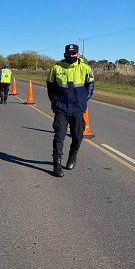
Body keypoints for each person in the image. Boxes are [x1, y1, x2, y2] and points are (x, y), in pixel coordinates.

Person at [47, 44, 94, 177]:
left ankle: (72, 155)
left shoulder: (85, 68)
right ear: (64, 54)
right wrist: (54, 100)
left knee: (78, 136)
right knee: (59, 135)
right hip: (61, 108)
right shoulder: (55, 68)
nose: (70, 56)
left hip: (78, 109)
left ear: (78, 55)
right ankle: (57, 163)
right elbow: (50, 87)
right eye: (68, 53)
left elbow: (90, 86)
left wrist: (83, 100)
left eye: (73, 54)